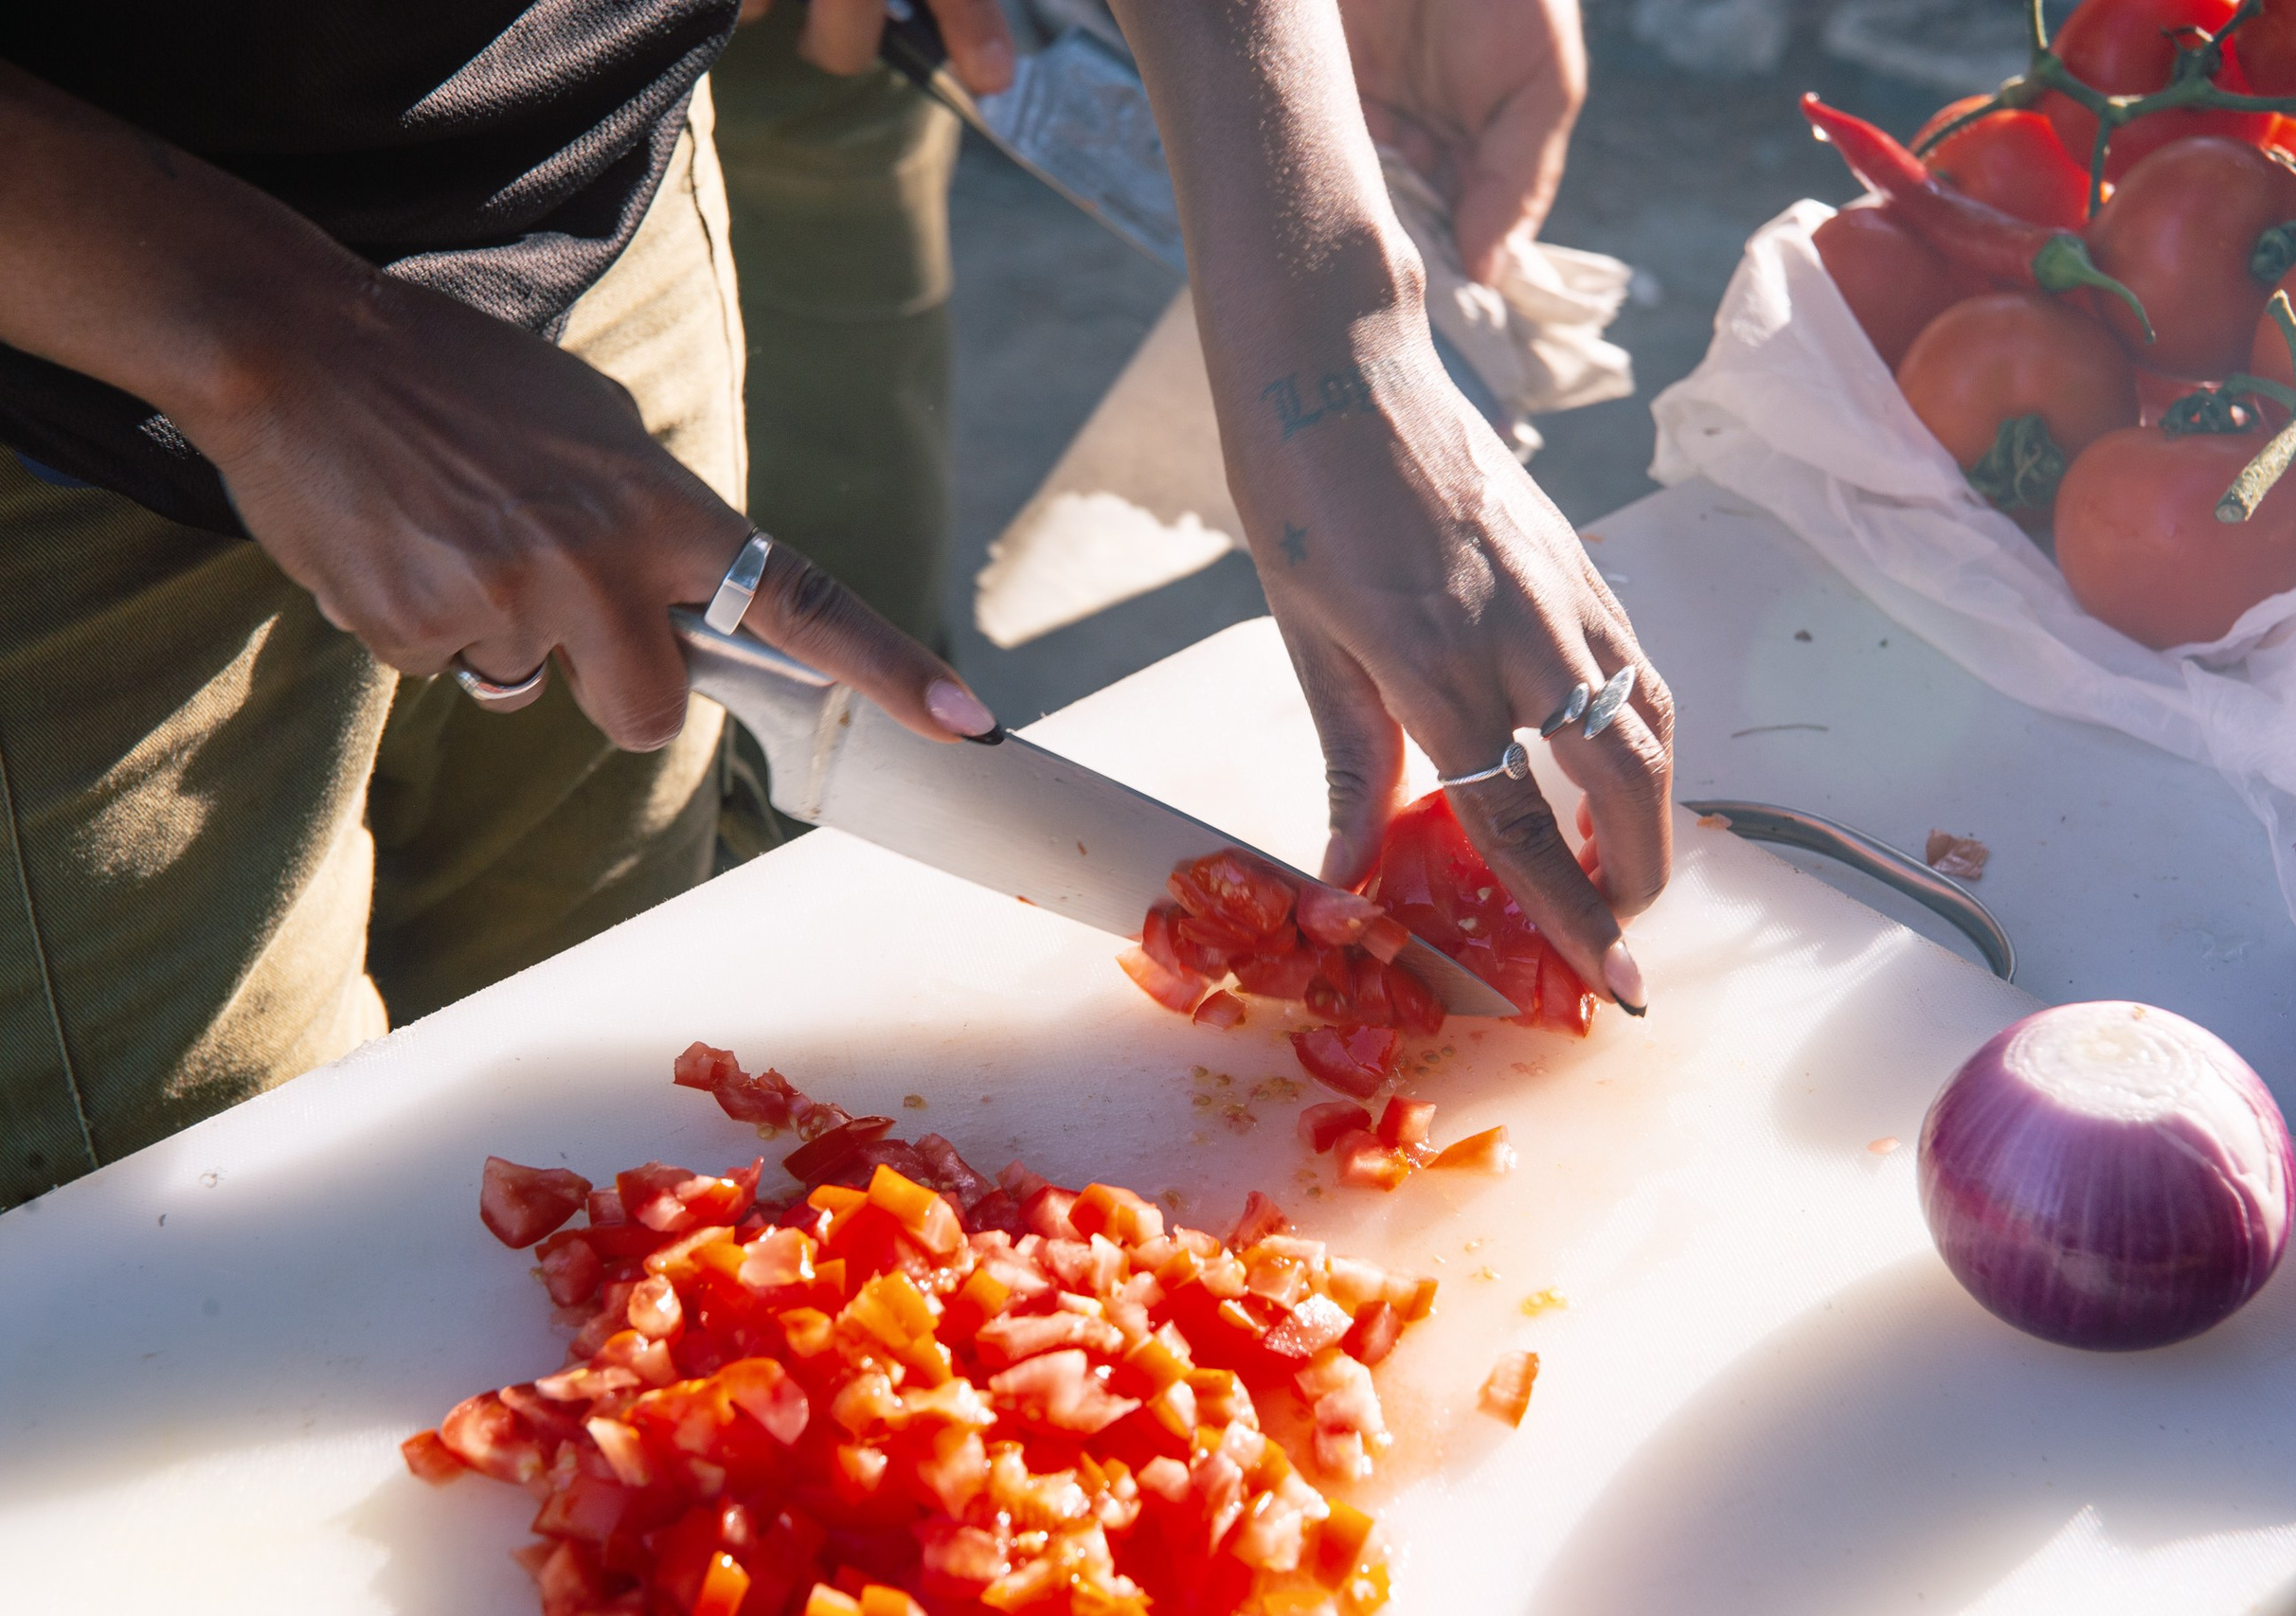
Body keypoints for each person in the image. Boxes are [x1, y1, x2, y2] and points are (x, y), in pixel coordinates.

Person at [0, 0, 1673, 1212]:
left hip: (590, 185)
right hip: (63, 392)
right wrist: (264, 332)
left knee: (614, 1033)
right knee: (191, 1225)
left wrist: (1335, 307)